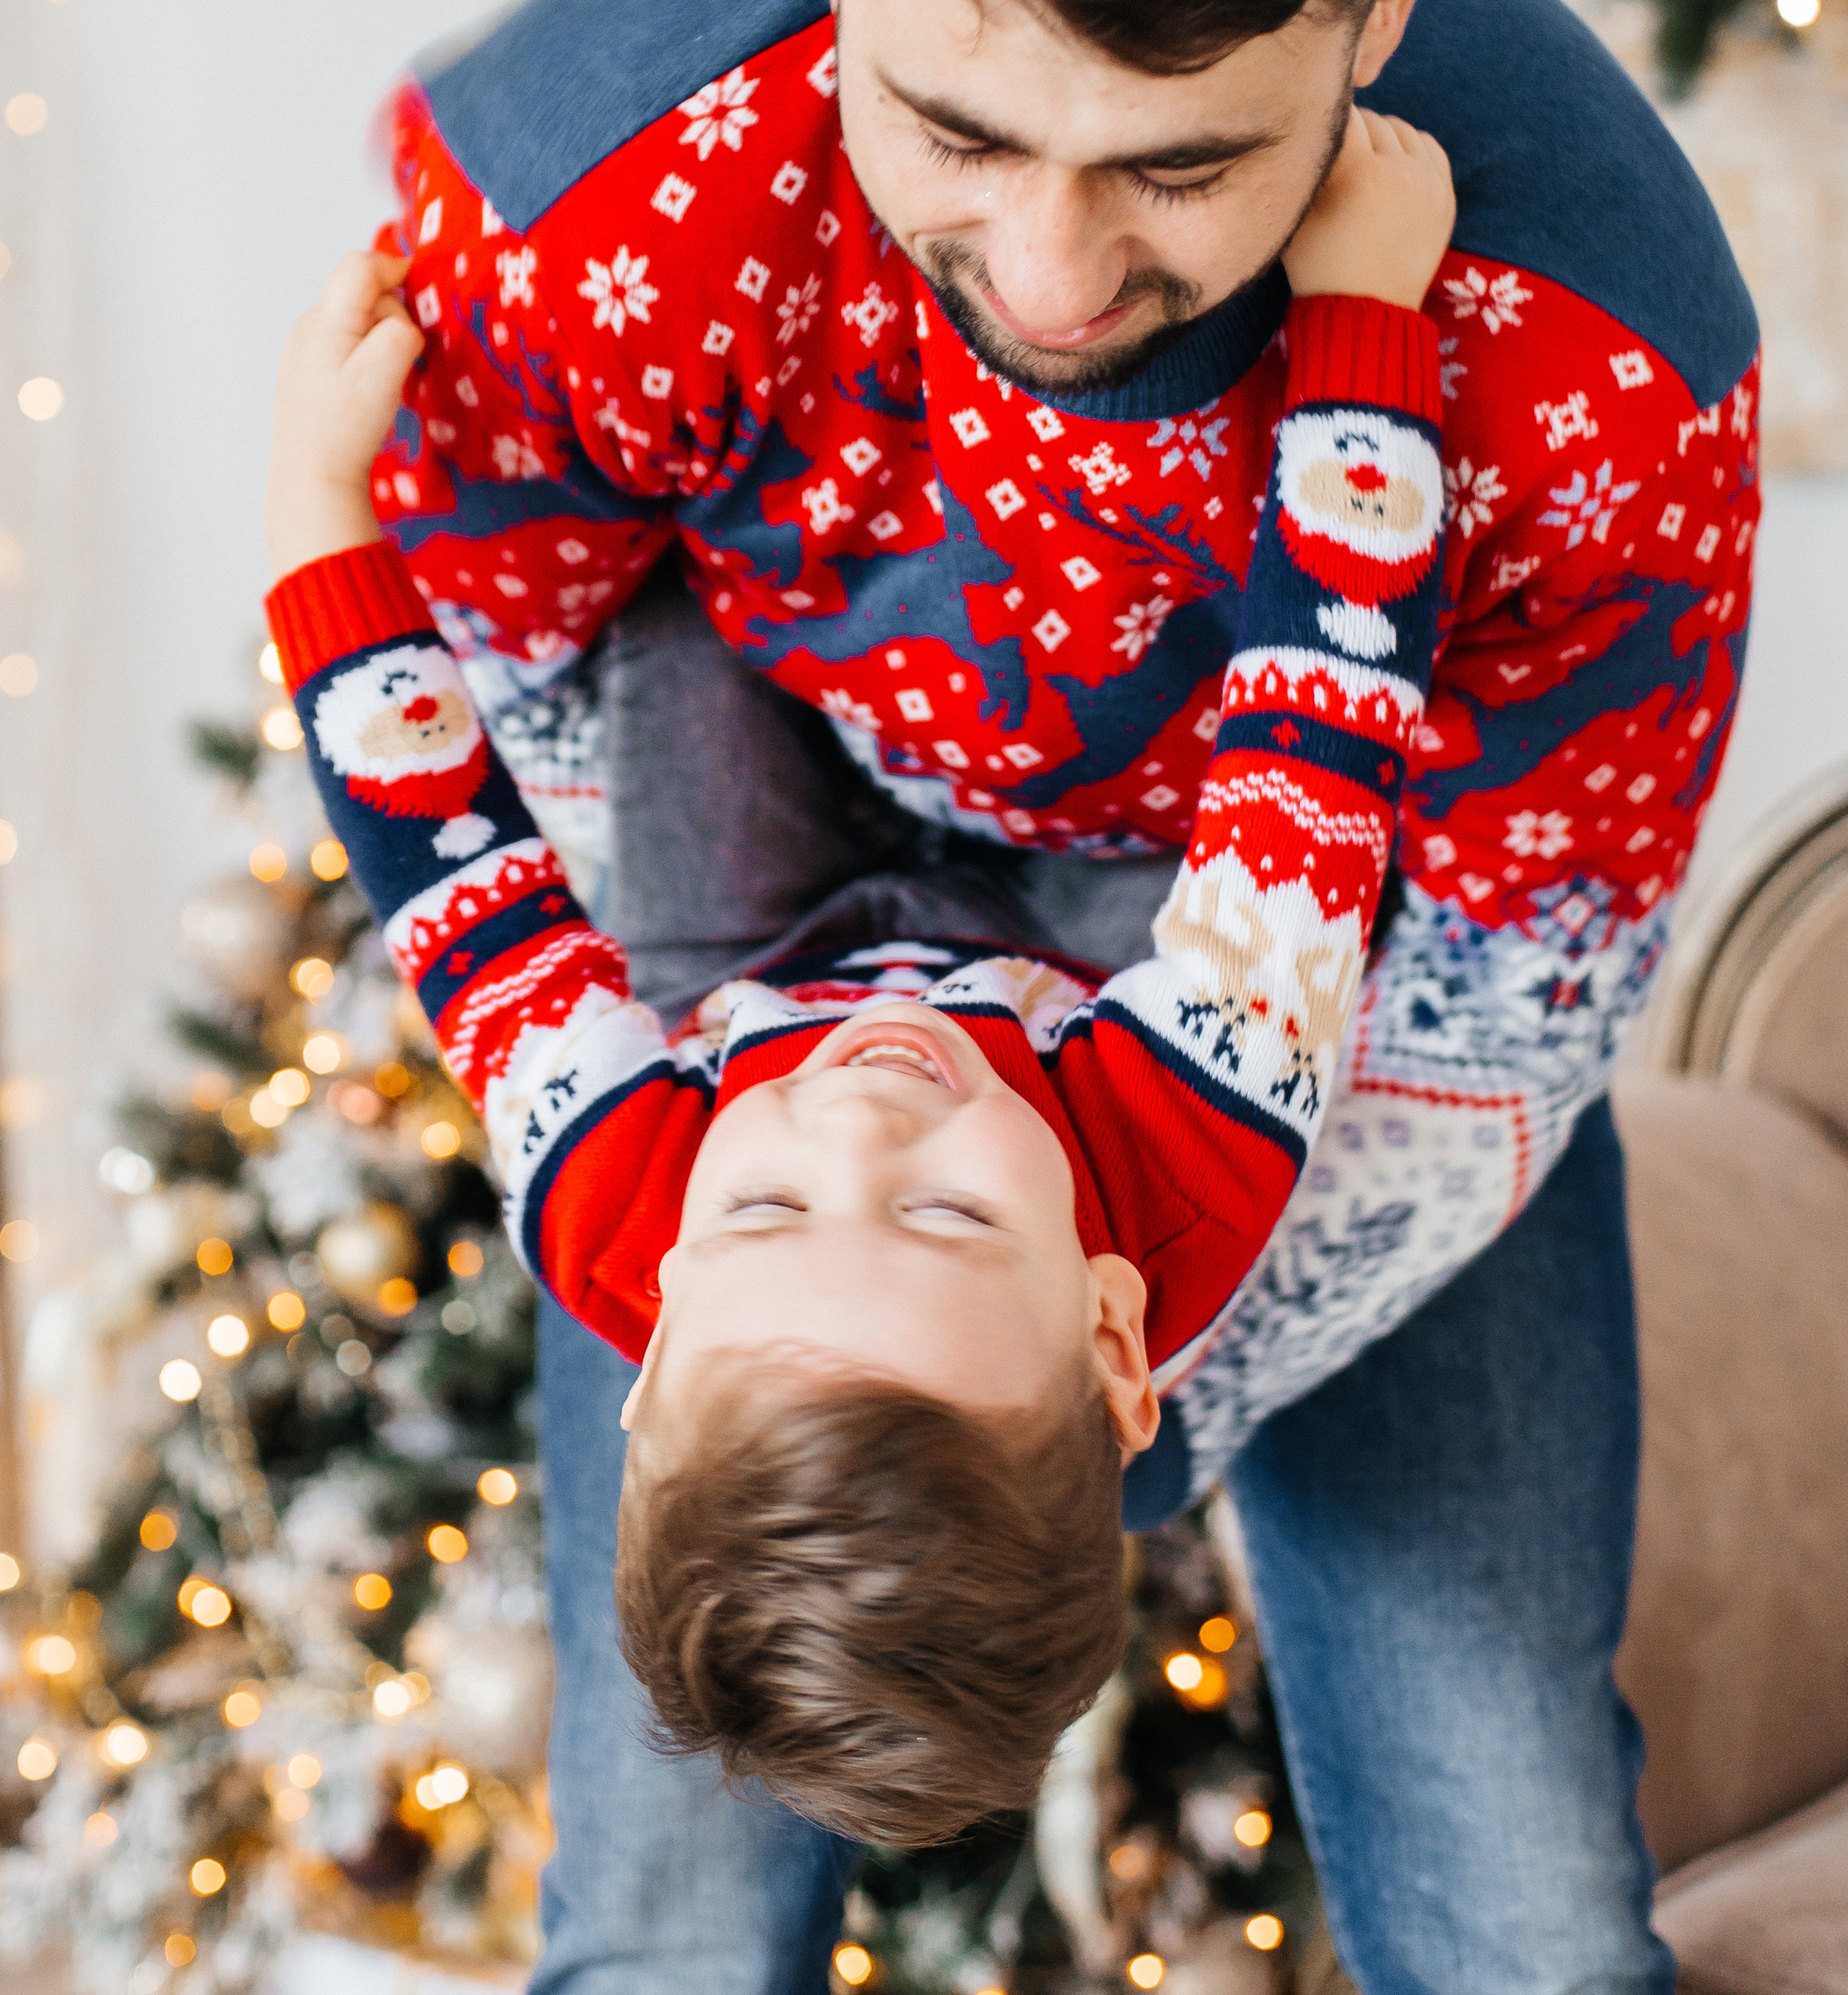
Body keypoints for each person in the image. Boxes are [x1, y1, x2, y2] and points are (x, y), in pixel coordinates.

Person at [349, 0, 1756, 1989]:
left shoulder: (1604, 356)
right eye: (956, 128)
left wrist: (1095, 1344)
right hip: (758, 944)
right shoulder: (605, 183)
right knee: (666, 1891)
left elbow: (1526, 958)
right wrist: (795, 1208)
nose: (1055, 260)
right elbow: (483, 683)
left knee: (1516, 1863)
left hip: (1371, 985)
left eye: (1183, 166)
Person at [261, 100, 1454, 1846]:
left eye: (762, 1218)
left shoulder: (614, 1201)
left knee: (681, 617)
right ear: (1114, 1338)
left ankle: (733, 473)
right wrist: (1360, 313)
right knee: (1163, 708)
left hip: (756, 962)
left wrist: (314, 503)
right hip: (1081, 992)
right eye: (950, 1224)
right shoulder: (1203, 1153)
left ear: (654, 1330)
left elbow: (452, 872)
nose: (861, 1129)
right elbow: (1317, 727)